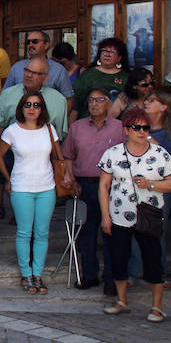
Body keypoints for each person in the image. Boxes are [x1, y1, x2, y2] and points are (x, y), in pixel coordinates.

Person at [98, 108, 171, 322]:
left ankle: (157, 306)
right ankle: (122, 300)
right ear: (126, 130)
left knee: (152, 259)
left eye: (146, 128)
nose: (142, 132)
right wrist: (105, 216)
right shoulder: (113, 153)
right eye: (137, 127)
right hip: (119, 215)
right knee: (119, 257)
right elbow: (104, 186)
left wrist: (151, 184)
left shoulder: (159, 154)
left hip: (149, 215)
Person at [0, 91, 62, 295]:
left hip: (46, 186)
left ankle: (37, 274)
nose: (32, 109)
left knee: (42, 232)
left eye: (36, 105)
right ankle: (26, 274)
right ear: (21, 107)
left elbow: (58, 156)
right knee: (24, 232)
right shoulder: (12, 131)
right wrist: (8, 179)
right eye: (28, 104)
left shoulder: (49, 129)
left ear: (42, 109)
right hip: (21, 186)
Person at [0, 57, 68, 219]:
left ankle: (25, 214)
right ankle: (6, 206)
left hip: (42, 155)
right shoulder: (8, 94)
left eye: (35, 73)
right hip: (11, 150)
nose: (29, 75)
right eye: (27, 70)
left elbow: (58, 136)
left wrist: (61, 168)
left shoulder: (58, 100)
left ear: (45, 78)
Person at [62, 87, 125, 293]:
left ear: (109, 103)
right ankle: (89, 275)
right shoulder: (77, 127)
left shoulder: (119, 127)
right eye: (91, 100)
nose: (94, 104)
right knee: (86, 233)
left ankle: (111, 279)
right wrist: (72, 179)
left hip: (113, 187)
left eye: (99, 100)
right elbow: (68, 156)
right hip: (85, 185)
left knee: (111, 233)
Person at [139, 91, 171, 287]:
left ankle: (158, 273)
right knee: (134, 227)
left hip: (162, 186)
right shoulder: (137, 127)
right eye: (146, 100)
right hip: (137, 185)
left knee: (157, 230)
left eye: (152, 100)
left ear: (164, 107)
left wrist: (148, 139)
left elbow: (170, 159)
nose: (146, 102)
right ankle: (133, 271)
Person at [3, 30, 74, 112]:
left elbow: (69, 98)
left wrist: (59, 117)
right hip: (18, 116)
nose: (30, 45)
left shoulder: (59, 70)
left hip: (48, 117)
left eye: (35, 41)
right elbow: (5, 95)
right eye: (28, 42)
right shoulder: (17, 67)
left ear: (46, 45)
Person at [71, 37, 130, 122]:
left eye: (112, 52)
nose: (107, 54)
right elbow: (75, 105)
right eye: (104, 51)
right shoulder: (88, 75)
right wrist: (72, 126)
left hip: (117, 125)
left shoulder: (125, 77)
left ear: (119, 57)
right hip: (88, 123)